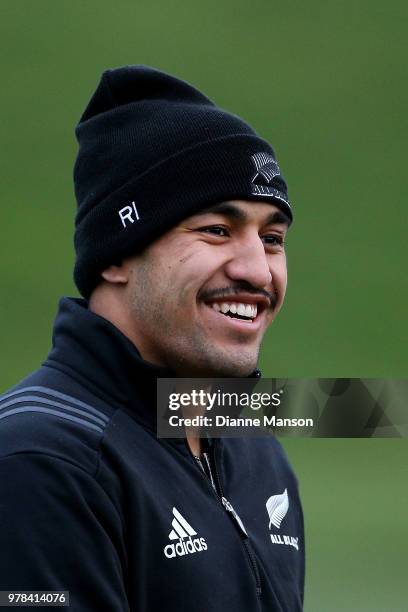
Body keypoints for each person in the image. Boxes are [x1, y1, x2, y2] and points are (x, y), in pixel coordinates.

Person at [0, 66, 305, 611]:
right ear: (117, 254)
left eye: (273, 238)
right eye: (216, 230)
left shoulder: (255, 446)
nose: (259, 271)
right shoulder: (40, 461)